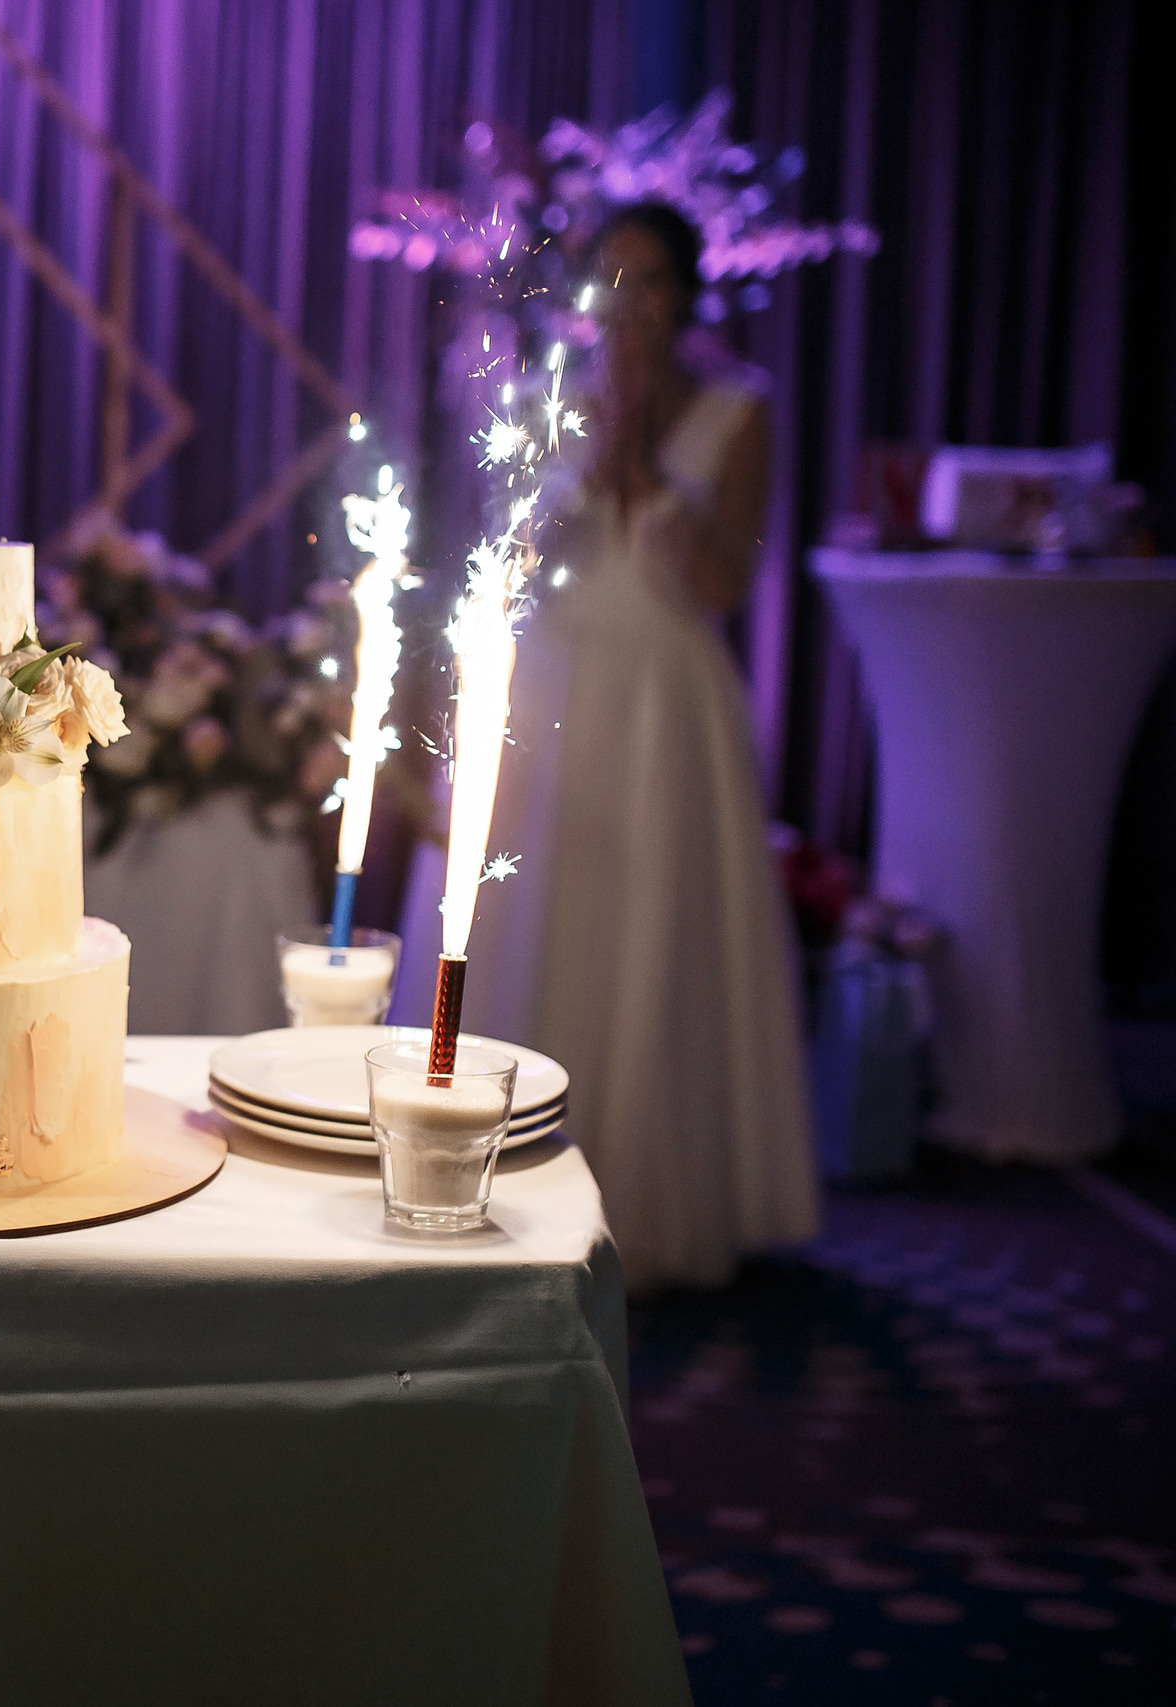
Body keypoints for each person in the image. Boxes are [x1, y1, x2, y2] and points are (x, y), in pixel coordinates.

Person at [461, 201, 819, 1292]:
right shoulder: (536, 403)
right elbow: (503, 570)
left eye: (652, 280)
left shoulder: (734, 415)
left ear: (685, 296)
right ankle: (498, 1182)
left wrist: (651, 479)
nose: (630, 306)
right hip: (561, 690)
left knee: (656, 927)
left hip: (669, 701)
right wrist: (585, 464)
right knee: (542, 924)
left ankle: (654, 1200)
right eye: (608, 280)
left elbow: (720, 586)